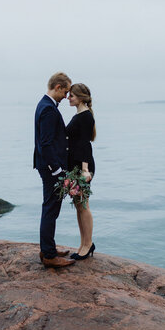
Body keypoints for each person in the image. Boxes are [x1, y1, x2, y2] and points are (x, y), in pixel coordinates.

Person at [34, 72, 76, 268]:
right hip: (50, 168)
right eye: (66, 91)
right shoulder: (49, 109)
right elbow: (46, 144)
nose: (66, 96)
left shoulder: (44, 104)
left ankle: (47, 248)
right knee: (51, 210)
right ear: (58, 87)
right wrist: (57, 170)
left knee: (50, 208)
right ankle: (49, 255)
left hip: (46, 166)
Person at [66, 83, 96, 260]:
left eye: (71, 95)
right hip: (74, 166)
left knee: (83, 205)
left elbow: (85, 143)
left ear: (80, 97)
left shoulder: (85, 116)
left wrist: (85, 170)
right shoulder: (79, 114)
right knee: (79, 205)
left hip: (81, 167)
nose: (68, 98)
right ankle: (83, 243)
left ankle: (88, 244)